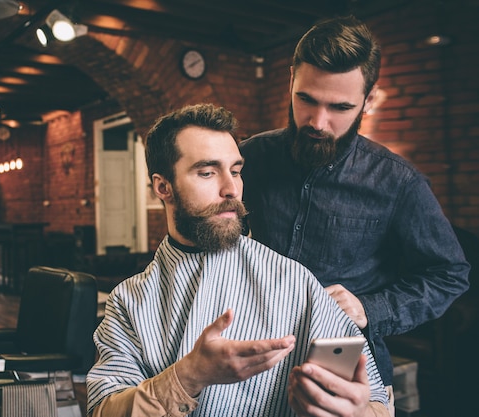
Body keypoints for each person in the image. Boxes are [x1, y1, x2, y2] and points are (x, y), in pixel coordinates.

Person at [87, 103, 389, 416]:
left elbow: (376, 402)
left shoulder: (292, 279)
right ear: (163, 187)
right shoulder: (128, 301)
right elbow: (101, 410)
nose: (232, 188)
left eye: (235, 171)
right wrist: (189, 375)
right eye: (207, 172)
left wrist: (353, 411)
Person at [239, 15, 470, 396]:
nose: (318, 121)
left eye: (340, 107)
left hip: (340, 354)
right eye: (306, 99)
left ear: (370, 99)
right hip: (252, 343)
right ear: (291, 79)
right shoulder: (250, 158)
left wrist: (369, 308)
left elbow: (450, 274)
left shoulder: (399, 182)